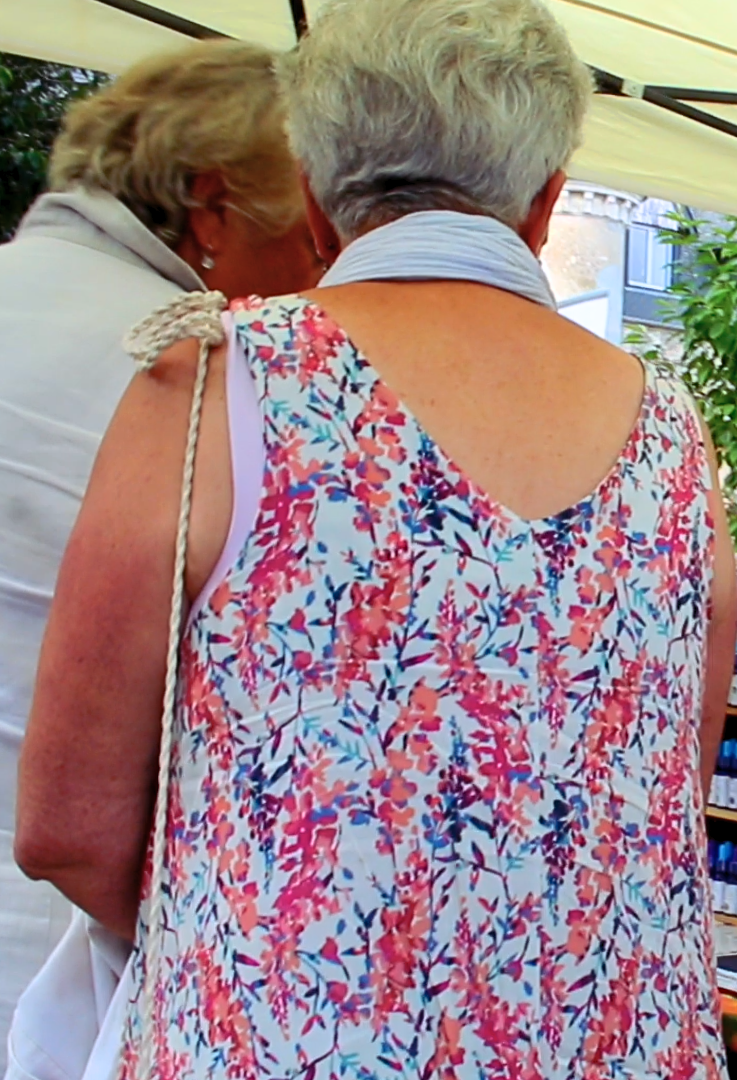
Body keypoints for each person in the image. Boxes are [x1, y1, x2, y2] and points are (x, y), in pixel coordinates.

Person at [16, 1, 735, 1076]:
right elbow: (658, 798)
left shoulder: (215, 383)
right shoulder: (673, 436)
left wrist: (290, 927)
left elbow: (69, 825)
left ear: (311, 192)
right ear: (546, 202)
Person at [0, 39, 322, 1049]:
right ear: (216, 209)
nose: (327, 269)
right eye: (314, 234)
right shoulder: (199, 378)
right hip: (51, 971)